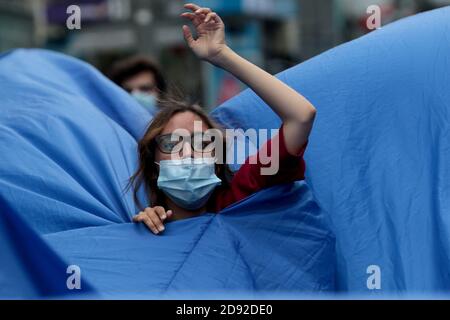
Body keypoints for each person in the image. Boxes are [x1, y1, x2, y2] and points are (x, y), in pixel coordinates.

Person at [130, 3, 316, 235]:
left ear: (218, 159)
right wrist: (139, 233)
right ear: (153, 166)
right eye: (171, 143)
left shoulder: (243, 195)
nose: (187, 153)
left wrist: (221, 54)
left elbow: (301, 115)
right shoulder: (146, 227)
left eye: (203, 142)